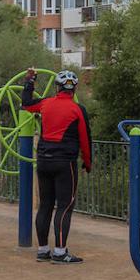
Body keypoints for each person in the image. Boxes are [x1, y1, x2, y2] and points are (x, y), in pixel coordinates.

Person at [21, 68, 92, 264]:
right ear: (74, 89)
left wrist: (30, 80)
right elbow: (85, 140)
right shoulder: (78, 109)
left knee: (44, 205)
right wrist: (88, 162)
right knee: (65, 206)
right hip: (65, 163)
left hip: (43, 161)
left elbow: (26, 104)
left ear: (57, 87)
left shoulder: (45, 103)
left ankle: (43, 250)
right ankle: (60, 253)